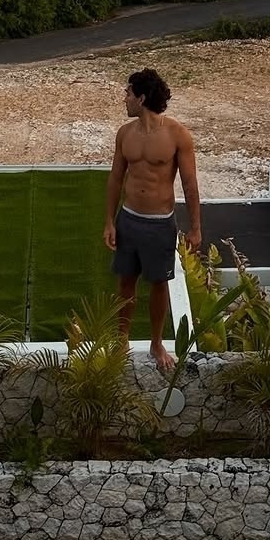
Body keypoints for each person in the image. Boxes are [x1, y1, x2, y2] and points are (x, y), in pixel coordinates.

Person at [104, 68, 201, 372]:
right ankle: (121, 340)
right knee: (126, 282)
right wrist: (109, 221)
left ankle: (157, 343)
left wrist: (196, 227)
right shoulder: (125, 134)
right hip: (129, 218)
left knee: (159, 284)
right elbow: (116, 178)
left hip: (160, 223)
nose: (125, 99)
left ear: (142, 98)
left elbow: (190, 184)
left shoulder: (176, 134)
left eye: (128, 93)